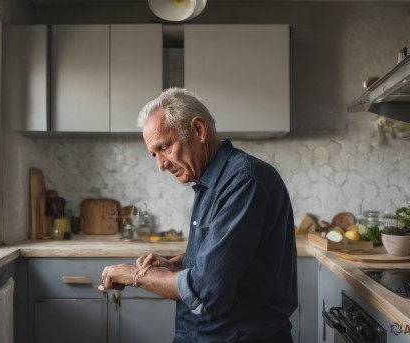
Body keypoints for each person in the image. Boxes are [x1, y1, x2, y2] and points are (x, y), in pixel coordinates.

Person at [100, 88, 297, 342]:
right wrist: (177, 264)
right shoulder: (212, 180)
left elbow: (207, 289)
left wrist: (134, 275)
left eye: (165, 147)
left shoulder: (244, 180)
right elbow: (230, 256)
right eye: (154, 154)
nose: (161, 165)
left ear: (199, 131)